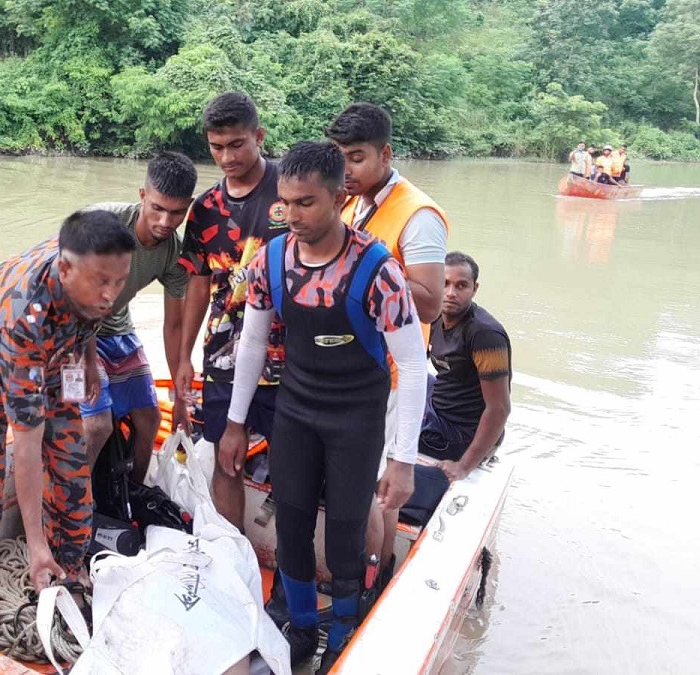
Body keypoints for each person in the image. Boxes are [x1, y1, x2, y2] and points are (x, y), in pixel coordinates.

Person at [219, 142, 425, 669]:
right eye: (286, 202)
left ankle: (343, 631)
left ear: (339, 196)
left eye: (307, 203)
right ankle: (303, 630)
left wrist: (402, 459)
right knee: (290, 523)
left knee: (345, 535)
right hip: (296, 409)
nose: (293, 216)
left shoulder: (378, 270)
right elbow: (253, 342)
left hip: (356, 417)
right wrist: (236, 423)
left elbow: (414, 364)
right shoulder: (271, 259)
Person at [0, 211, 136, 633]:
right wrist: (36, 545)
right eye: (103, 282)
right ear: (64, 269)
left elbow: (86, 320)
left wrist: (90, 364)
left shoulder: (91, 271)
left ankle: (69, 574)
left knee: (72, 472)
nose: (110, 295)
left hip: (47, 368)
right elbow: (25, 451)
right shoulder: (22, 317)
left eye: (119, 283)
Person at [327, 102, 449, 575]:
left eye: (355, 157)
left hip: (392, 374)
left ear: (385, 154)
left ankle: (373, 575)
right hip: (350, 370)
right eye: (338, 156)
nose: (345, 168)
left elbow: (430, 302)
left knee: (379, 484)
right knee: (357, 482)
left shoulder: (417, 215)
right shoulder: (354, 203)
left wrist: (363, 270)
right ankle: (366, 573)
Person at [176, 91, 288, 529]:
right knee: (226, 459)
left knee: (293, 463)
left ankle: (287, 563)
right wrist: (184, 356)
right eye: (216, 147)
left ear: (259, 136)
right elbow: (198, 287)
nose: (226, 156)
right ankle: (232, 551)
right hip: (224, 354)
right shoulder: (203, 210)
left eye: (237, 144)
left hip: (288, 355)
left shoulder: (291, 191)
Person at [80, 152, 197, 482]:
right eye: (157, 208)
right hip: (74, 330)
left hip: (117, 328)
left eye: (176, 213)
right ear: (143, 195)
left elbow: (173, 325)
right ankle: (70, 516)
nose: (164, 222)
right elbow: (77, 305)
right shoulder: (102, 225)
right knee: (96, 424)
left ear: (187, 207)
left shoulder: (174, 253)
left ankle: (133, 497)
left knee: (149, 419)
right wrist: (88, 365)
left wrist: (180, 396)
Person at [423, 251, 512, 480]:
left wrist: (463, 467)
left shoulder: (485, 335)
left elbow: (500, 408)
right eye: (444, 283)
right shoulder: (434, 316)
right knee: (395, 383)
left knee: (387, 424)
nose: (451, 293)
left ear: (475, 289)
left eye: (461, 285)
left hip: (459, 433)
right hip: (440, 402)